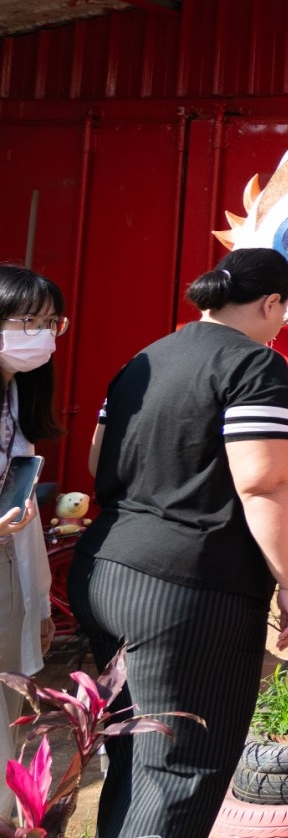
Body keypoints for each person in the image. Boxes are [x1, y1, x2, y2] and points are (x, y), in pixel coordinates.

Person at [73, 248, 288, 838]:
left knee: (135, 755)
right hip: (189, 590)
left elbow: (98, 458)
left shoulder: (145, 359)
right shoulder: (255, 367)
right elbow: (266, 482)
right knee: (181, 768)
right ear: (271, 301)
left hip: (108, 568)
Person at [0, 267, 62, 766]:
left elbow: (27, 511)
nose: (41, 335)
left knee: (10, 700)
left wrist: (40, 603)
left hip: (10, 569)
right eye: (27, 320)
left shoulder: (19, 397)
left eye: (50, 322)